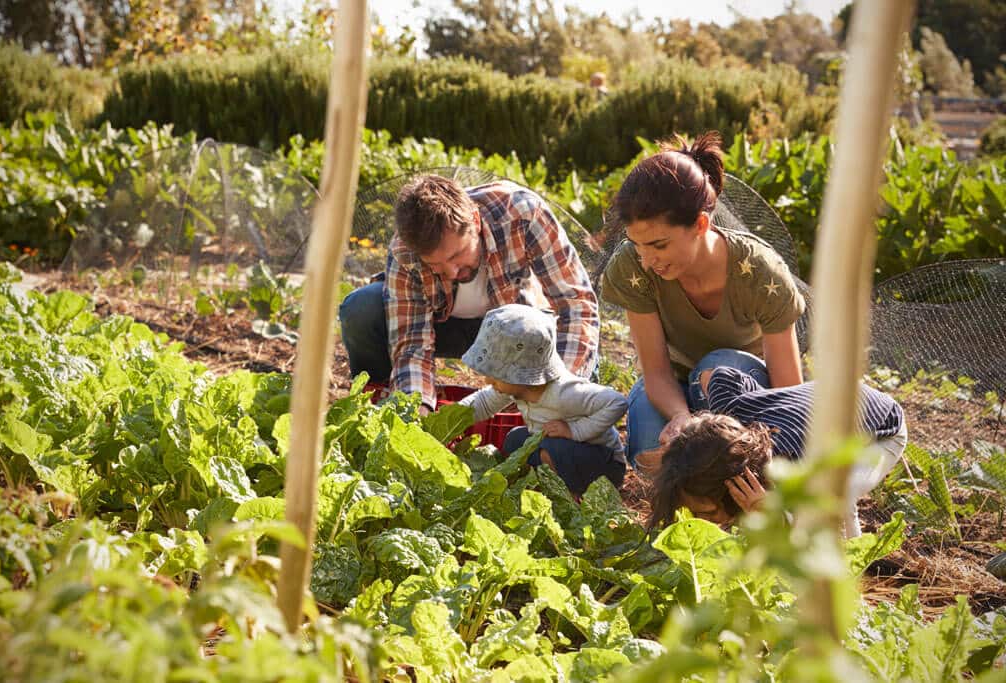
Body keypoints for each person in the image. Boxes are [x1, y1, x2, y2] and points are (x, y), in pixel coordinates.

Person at [598, 131, 806, 469]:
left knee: (716, 368)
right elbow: (656, 371)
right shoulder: (631, 267)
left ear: (700, 223)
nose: (648, 261)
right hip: (672, 388)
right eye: (638, 245)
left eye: (659, 245)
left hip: (742, 391)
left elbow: (789, 393)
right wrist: (682, 418)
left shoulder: (759, 271)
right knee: (650, 459)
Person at [339, 175, 599, 414]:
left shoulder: (522, 213)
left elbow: (576, 305)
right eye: (436, 266)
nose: (451, 272)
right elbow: (412, 344)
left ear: (475, 221)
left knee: (566, 404)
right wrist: (414, 409)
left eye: (456, 256)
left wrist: (558, 392)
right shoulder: (405, 250)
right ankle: (378, 406)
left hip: (517, 333)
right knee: (362, 308)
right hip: (444, 327)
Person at [646, 366, 908, 537]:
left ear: (738, 489)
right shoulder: (729, 416)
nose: (709, 523)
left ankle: (851, 564)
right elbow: (722, 376)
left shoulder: (789, 464)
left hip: (881, 430)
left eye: (710, 514)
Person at [458, 304, 627, 496]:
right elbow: (483, 403)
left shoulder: (565, 393)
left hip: (603, 464)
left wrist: (575, 431)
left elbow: (617, 402)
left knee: (552, 449)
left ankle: (567, 499)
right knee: (515, 440)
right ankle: (540, 489)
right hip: (563, 450)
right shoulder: (515, 386)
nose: (489, 381)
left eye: (495, 375)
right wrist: (446, 418)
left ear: (521, 375)